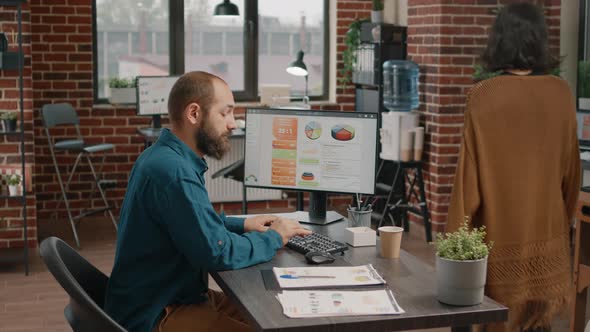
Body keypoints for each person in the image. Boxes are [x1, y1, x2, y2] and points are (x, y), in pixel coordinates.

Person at [104, 71, 312, 332]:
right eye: (225, 113)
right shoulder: (174, 172)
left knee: (273, 314)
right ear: (194, 114)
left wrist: (243, 223)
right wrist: (274, 237)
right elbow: (217, 252)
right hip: (157, 314)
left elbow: (190, 224)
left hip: (171, 298)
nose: (233, 123)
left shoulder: (162, 156)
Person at [446, 3, 580, 332]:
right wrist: (561, 225)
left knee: (496, 320)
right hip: (546, 239)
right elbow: (571, 174)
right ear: (540, 41)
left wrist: (455, 248)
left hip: (498, 240)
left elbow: (468, 185)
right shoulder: (561, 93)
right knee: (539, 323)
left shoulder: (483, 96)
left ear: (499, 40)